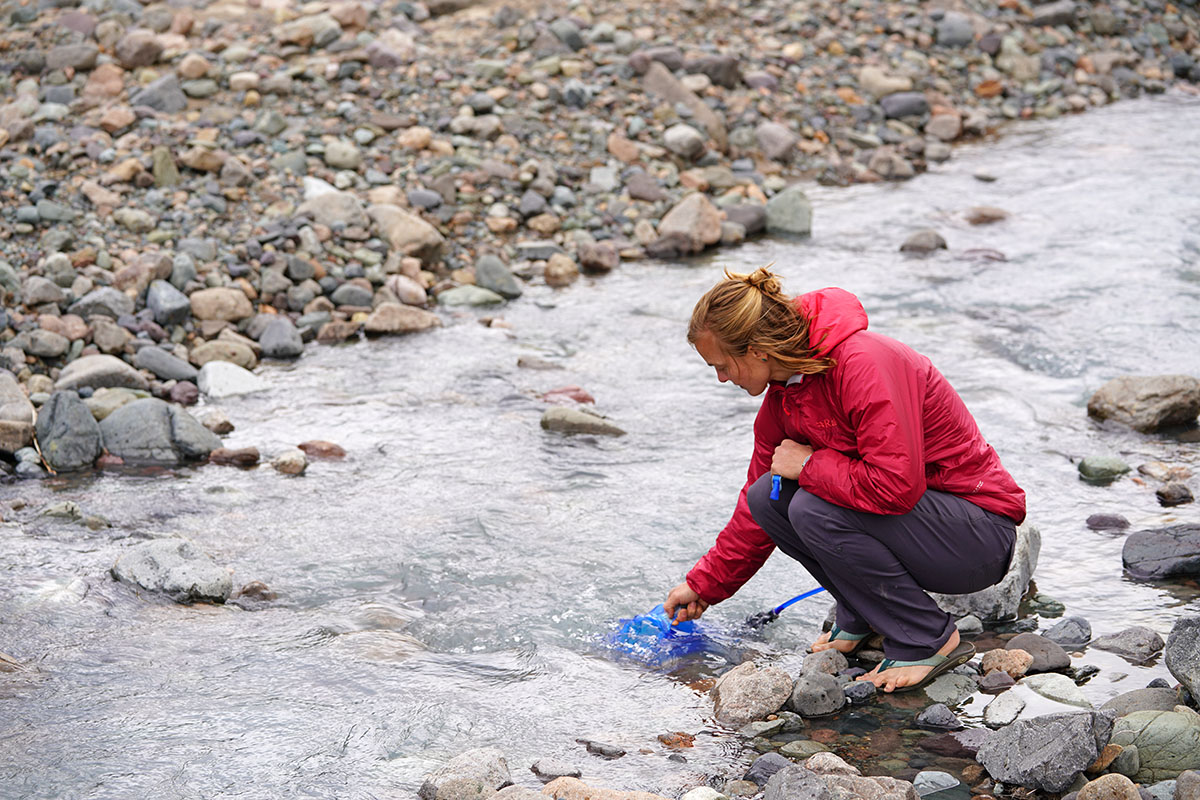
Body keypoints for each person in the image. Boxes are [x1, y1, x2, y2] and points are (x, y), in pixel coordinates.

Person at [663, 268, 1026, 693]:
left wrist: (810, 466)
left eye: (722, 366)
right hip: (924, 530)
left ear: (759, 351)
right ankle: (866, 615)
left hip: (976, 536)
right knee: (769, 497)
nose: (721, 378)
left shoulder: (863, 363)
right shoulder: (785, 397)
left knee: (809, 503)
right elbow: (753, 510)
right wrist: (704, 584)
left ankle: (927, 636)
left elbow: (895, 486)